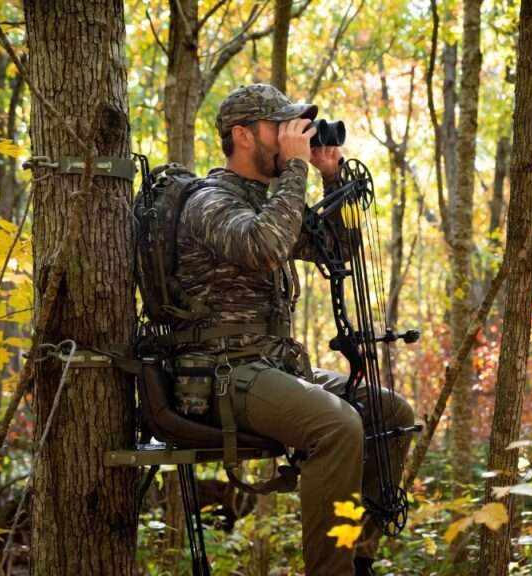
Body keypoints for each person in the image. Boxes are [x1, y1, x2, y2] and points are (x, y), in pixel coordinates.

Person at [173, 83, 414, 576]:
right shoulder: (208, 201)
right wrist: (298, 169)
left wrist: (328, 178)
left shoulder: (269, 198)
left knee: (388, 411)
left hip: (268, 368)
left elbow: (336, 250)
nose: (292, 136)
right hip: (221, 374)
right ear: (242, 135)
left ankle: (355, 557)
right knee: (337, 423)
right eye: (280, 127)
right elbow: (263, 246)